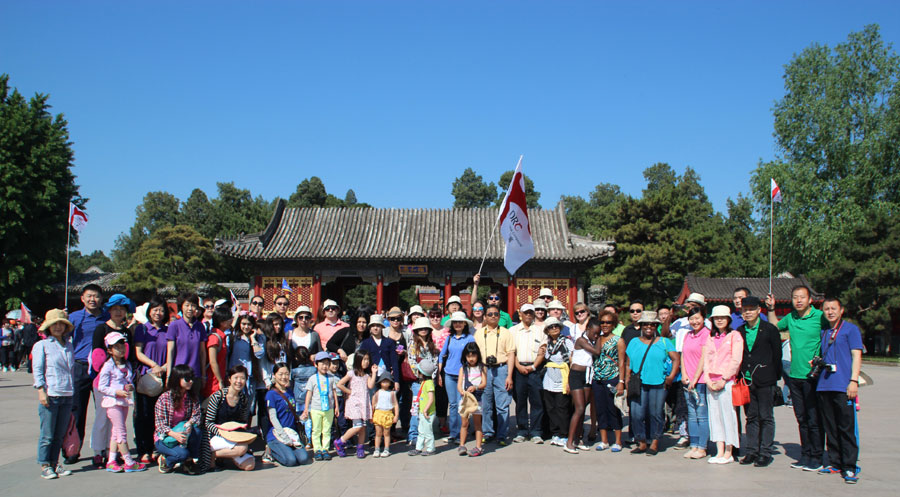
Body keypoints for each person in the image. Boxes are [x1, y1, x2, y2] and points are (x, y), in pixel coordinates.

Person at [766, 285, 825, 471]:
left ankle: (817, 456)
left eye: (802, 297)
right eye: (795, 297)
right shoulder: (791, 318)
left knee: (814, 418)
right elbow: (774, 326)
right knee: (801, 418)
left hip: (812, 376)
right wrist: (771, 309)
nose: (798, 300)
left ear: (810, 300)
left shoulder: (819, 317)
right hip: (794, 376)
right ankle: (805, 455)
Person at [815, 297, 862, 484]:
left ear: (841, 310)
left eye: (833, 308)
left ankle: (850, 466)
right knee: (831, 427)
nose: (830, 312)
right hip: (825, 385)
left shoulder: (851, 330)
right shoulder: (824, 331)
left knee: (846, 427)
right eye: (826, 309)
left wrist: (853, 381)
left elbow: (856, 355)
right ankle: (835, 462)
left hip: (843, 385)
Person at [89, 293, 136, 468]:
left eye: (121, 309)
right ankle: (98, 450)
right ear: (109, 311)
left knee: (118, 421)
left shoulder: (126, 332)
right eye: (114, 309)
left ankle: (113, 453)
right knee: (102, 418)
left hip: (121, 383)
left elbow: (129, 357)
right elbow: (96, 355)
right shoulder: (101, 329)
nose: (118, 312)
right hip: (105, 382)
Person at [624, 311, 679, 455]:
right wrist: (626, 380)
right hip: (638, 383)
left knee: (655, 413)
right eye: (646, 324)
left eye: (652, 324)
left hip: (658, 383)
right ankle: (641, 441)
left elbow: (676, 359)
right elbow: (628, 363)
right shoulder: (634, 342)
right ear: (641, 325)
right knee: (636, 414)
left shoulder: (664, 342)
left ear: (656, 326)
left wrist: (671, 376)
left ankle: (654, 441)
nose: (649, 327)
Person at [735, 296, 782, 468]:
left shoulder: (769, 329)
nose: (747, 312)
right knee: (751, 416)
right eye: (744, 309)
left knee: (766, 416)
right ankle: (752, 450)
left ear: (758, 310)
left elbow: (777, 355)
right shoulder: (739, 331)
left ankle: (765, 452)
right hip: (747, 380)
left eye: (751, 309)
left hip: (766, 379)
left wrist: (774, 377)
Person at [65, 284, 109, 464]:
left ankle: (103, 449)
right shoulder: (74, 318)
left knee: (104, 410)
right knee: (77, 410)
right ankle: (72, 450)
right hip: (80, 367)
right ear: (82, 298)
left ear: (101, 299)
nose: (93, 299)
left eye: (96, 296)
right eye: (89, 296)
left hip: (102, 368)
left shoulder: (107, 318)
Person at [695, 305, 743, 464]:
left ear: (728, 319)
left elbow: (736, 360)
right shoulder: (710, 337)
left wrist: (724, 378)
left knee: (728, 416)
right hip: (711, 381)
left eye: (722, 317)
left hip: (727, 381)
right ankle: (719, 449)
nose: (720, 320)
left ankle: (729, 451)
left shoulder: (734, 336)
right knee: (714, 417)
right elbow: (706, 360)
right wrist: (708, 379)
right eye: (717, 318)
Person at [32, 309, 75, 480]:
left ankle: (55, 463)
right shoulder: (41, 345)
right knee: (47, 434)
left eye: (61, 324)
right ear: (48, 327)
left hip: (67, 393)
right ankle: (45, 464)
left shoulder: (69, 345)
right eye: (54, 324)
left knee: (59, 434)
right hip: (51, 393)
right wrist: (41, 390)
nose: (58, 327)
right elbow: (37, 370)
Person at [97, 332, 145, 473]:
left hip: (123, 402)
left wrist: (127, 387)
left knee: (116, 432)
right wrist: (116, 391)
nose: (121, 349)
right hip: (113, 402)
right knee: (121, 432)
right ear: (110, 350)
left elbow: (125, 381)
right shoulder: (107, 366)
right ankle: (128, 461)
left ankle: (111, 460)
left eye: (122, 346)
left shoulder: (127, 364)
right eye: (116, 347)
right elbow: (102, 387)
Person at [133, 296, 170, 464]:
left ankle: (157, 447)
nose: (158, 313)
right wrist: (154, 365)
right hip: (146, 375)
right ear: (149, 311)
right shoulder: (142, 329)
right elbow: (138, 352)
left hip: (162, 375)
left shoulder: (168, 330)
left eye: (161, 310)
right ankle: (144, 449)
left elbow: (172, 354)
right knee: (143, 414)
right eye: (155, 309)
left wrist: (163, 368)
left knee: (160, 415)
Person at [474, 303, 515, 445]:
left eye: (496, 314)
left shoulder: (505, 332)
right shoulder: (479, 333)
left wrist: (509, 376)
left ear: (499, 316)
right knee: (486, 404)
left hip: (501, 369)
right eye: (490, 314)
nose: (493, 316)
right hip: (484, 369)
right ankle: (488, 432)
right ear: (485, 316)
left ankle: (502, 434)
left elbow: (511, 354)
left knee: (502, 404)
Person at [200, 365, 255, 471]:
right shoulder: (218, 397)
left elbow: (242, 421)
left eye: (242, 378)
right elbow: (208, 423)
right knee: (242, 448)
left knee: (250, 465)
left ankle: (223, 455)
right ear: (229, 379)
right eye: (236, 378)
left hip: (232, 436)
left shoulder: (244, 399)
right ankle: (211, 455)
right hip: (214, 435)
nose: (239, 381)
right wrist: (224, 434)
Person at [154, 364, 202, 474]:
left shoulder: (192, 397)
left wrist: (190, 423)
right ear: (177, 379)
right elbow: (160, 424)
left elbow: (197, 416)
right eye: (187, 379)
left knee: (197, 431)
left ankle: (189, 460)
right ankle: (166, 460)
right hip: (165, 437)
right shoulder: (164, 398)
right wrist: (175, 435)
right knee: (181, 455)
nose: (191, 381)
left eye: (192, 378)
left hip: (184, 432)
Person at [565, 317, 602, 453]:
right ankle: (569, 442)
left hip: (587, 375)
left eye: (598, 333)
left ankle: (578, 439)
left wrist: (597, 338)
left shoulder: (591, 341)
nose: (596, 335)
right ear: (587, 330)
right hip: (576, 375)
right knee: (579, 408)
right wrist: (599, 338)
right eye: (594, 332)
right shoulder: (581, 340)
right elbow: (597, 352)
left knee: (583, 408)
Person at [438, 311, 476, 444]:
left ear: (465, 323)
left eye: (460, 322)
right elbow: (442, 355)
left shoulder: (470, 338)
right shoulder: (449, 338)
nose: (458, 324)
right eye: (455, 322)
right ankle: (453, 433)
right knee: (453, 404)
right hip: (449, 373)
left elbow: (473, 356)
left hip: (463, 375)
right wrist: (439, 372)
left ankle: (462, 432)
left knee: (462, 404)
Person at [509, 304, 545, 444]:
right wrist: (518, 366)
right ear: (521, 314)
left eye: (531, 312)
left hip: (535, 370)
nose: (528, 315)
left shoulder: (540, 331)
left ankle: (536, 431)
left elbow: (542, 350)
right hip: (519, 370)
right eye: (526, 312)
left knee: (537, 401)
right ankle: (522, 430)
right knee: (520, 402)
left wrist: (533, 367)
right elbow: (511, 351)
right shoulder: (513, 331)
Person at [591, 310, 626, 452]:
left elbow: (622, 362)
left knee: (613, 409)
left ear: (614, 324)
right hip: (598, 377)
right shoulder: (596, 339)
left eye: (608, 322)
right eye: (603, 322)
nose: (605, 325)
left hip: (612, 377)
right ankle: (604, 440)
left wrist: (621, 381)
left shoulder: (619, 340)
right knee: (600, 409)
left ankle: (618, 441)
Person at [265, 362, 310, 466]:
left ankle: (287, 450)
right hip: (277, 434)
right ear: (274, 375)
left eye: (286, 374)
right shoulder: (271, 394)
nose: (284, 377)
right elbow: (273, 418)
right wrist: (283, 436)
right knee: (291, 461)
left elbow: (292, 413)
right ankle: (271, 451)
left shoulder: (290, 392)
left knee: (303, 459)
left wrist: (301, 417)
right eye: (280, 374)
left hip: (291, 434)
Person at [680, 307, 711, 460]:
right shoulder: (687, 335)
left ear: (704, 318)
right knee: (691, 415)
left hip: (701, 381)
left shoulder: (707, 334)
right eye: (692, 319)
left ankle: (702, 447)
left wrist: (695, 379)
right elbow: (683, 356)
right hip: (687, 381)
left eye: (697, 318)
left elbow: (703, 360)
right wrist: (684, 375)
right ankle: (694, 444)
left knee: (701, 415)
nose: (695, 322)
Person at [335, 350, 377, 458]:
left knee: (363, 427)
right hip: (355, 403)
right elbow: (340, 384)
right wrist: (350, 392)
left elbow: (371, 386)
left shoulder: (366, 375)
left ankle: (360, 447)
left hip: (364, 403)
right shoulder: (351, 373)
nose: (366, 362)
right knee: (357, 426)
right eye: (364, 359)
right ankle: (341, 441)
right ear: (358, 360)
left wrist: (374, 373)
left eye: (368, 359)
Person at [166, 292, 208, 396]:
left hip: (195, 374)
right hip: (179, 374)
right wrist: (168, 375)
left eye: (193, 306)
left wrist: (203, 375)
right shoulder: (174, 326)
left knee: (194, 405)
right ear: (181, 307)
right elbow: (170, 351)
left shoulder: (200, 327)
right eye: (187, 305)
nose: (190, 309)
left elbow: (202, 353)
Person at [406, 317, 439, 446]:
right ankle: (413, 435)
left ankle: (426, 434)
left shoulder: (431, 343)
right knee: (416, 408)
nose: (423, 330)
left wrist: (432, 375)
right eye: (421, 328)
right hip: (418, 381)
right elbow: (411, 361)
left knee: (428, 407)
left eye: (425, 328)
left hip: (430, 380)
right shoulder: (413, 343)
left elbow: (435, 361)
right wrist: (420, 375)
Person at [540, 317, 573, 446]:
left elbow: (571, 361)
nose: (554, 328)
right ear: (547, 330)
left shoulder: (567, 343)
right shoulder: (545, 344)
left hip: (563, 375)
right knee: (551, 408)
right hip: (549, 377)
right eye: (551, 327)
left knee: (562, 407)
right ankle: (555, 432)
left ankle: (564, 434)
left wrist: (570, 381)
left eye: (556, 326)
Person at [301, 351, 339, 461]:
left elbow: (334, 392)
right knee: (316, 430)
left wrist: (336, 406)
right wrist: (306, 408)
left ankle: (325, 449)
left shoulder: (331, 378)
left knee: (327, 430)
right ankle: (317, 449)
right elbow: (309, 394)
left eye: (327, 363)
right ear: (316, 364)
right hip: (316, 408)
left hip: (329, 408)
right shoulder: (313, 378)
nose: (325, 366)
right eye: (322, 363)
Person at [385, 306, 412, 439]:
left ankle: (406, 426)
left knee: (405, 399)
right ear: (388, 319)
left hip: (403, 371)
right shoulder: (384, 332)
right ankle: (390, 428)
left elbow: (412, 350)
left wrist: (405, 352)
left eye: (398, 318)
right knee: (389, 399)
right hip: (388, 372)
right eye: (392, 319)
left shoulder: (406, 333)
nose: (395, 321)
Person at [457, 342, 486, 457]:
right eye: (469, 356)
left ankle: (478, 446)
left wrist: (476, 387)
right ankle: (462, 444)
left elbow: (484, 383)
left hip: (477, 399)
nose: (471, 359)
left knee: (478, 424)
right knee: (464, 423)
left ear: (478, 355)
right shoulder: (463, 369)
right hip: (465, 400)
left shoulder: (482, 368)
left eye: (473, 356)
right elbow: (459, 384)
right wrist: (462, 391)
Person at [358, 315, 400, 390]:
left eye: (378, 325)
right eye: (373, 326)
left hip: (387, 378)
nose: (375, 328)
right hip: (371, 377)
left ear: (382, 327)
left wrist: (396, 380)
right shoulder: (366, 343)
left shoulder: (389, 342)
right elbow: (361, 360)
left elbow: (394, 361)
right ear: (370, 328)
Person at [408, 358, 437, 456]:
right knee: (421, 430)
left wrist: (425, 409)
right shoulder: (423, 382)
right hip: (422, 410)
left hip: (428, 412)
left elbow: (431, 398)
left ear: (422, 373)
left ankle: (430, 448)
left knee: (428, 431)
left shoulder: (429, 383)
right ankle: (418, 448)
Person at [204, 308, 233, 398]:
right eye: (229, 319)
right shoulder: (214, 338)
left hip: (219, 379)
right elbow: (213, 361)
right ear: (222, 322)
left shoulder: (223, 336)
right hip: (213, 382)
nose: (231, 321)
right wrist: (220, 380)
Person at [371, 371, 399, 457]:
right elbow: (373, 404)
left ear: (390, 383)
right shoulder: (377, 393)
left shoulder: (392, 393)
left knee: (386, 433)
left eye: (387, 381)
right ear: (380, 383)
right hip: (378, 413)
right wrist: (371, 415)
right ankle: (377, 449)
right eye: (383, 381)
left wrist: (396, 416)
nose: (385, 383)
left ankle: (386, 449)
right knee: (378, 433)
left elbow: (395, 405)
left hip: (388, 413)